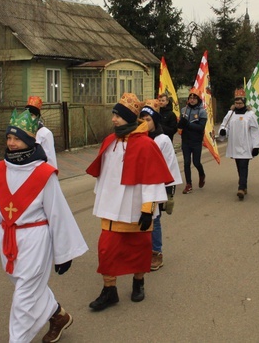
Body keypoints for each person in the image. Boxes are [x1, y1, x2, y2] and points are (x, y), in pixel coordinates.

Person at [0, 108, 88, 343]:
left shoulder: (44, 174)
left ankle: (18, 339)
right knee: (29, 288)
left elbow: (58, 214)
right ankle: (57, 315)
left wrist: (64, 253)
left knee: (24, 296)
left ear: (30, 140)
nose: (11, 143)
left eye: (18, 139)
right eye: (9, 138)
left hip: (34, 239)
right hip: (8, 240)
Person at [86, 93, 175, 311]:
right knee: (106, 249)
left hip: (135, 207)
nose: (113, 119)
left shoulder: (146, 145)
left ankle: (138, 283)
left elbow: (152, 177)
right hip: (111, 209)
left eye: (118, 115)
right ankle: (109, 290)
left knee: (138, 249)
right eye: (114, 115)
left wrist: (148, 209)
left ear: (128, 117)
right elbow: (104, 175)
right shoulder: (110, 141)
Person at [140, 100, 183, 271]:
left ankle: (156, 253)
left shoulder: (163, 140)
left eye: (148, 119)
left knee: (154, 219)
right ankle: (141, 251)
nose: (144, 123)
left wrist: (166, 189)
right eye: (141, 119)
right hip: (139, 185)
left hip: (156, 184)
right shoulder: (136, 139)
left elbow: (167, 165)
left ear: (155, 121)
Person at [218, 88, 259, 200]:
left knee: (243, 165)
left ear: (244, 103)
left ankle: (241, 188)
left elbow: (255, 130)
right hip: (235, 144)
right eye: (236, 103)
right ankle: (244, 185)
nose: (238, 105)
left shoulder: (250, 114)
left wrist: (256, 146)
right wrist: (223, 131)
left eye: (240, 103)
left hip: (246, 144)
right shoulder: (230, 114)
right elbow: (225, 125)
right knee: (239, 165)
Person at [178, 88, 207, 193]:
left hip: (196, 140)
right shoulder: (183, 110)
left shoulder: (202, 111)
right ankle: (188, 184)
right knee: (186, 162)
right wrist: (180, 124)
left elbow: (201, 127)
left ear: (198, 99)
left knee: (196, 162)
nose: (192, 100)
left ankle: (202, 174)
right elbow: (181, 125)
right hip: (186, 140)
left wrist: (188, 124)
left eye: (194, 98)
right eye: (190, 98)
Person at [25, 96, 58, 169]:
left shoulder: (45, 133)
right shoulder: (23, 132)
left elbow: (50, 157)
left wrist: (51, 174)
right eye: (27, 115)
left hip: (41, 170)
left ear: (37, 116)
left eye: (32, 115)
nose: (29, 118)